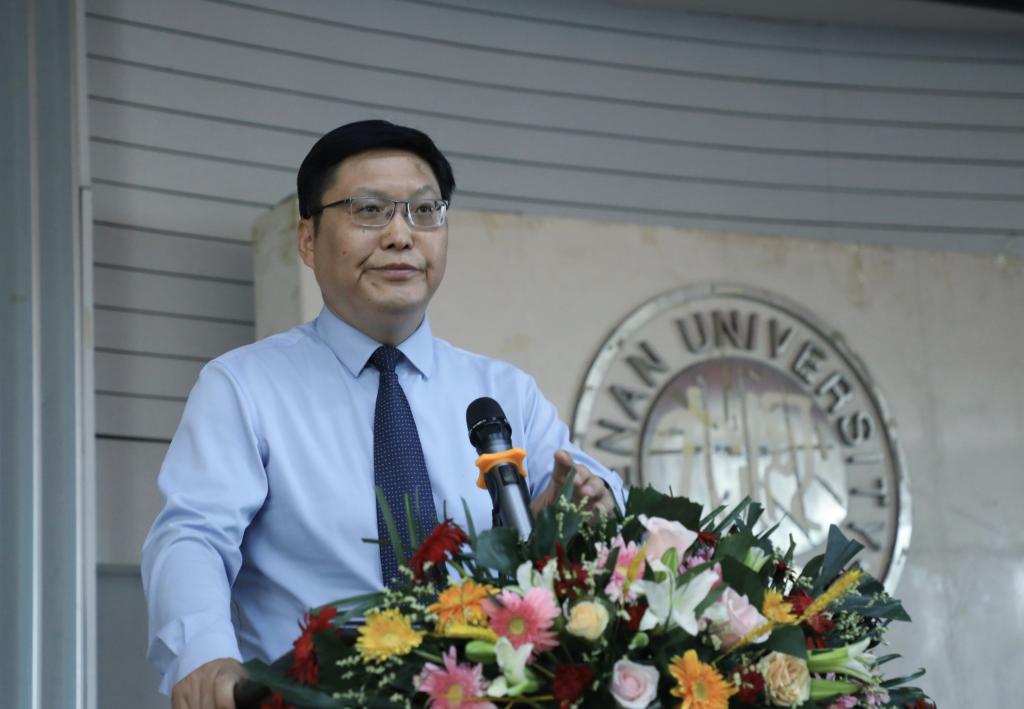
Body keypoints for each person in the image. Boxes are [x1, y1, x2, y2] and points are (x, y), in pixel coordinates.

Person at [142, 120, 626, 709]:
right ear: (307, 239)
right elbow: (194, 535)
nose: (401, 235)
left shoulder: (502, 392)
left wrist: (590, 500)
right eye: (369, 210)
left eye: (424, 211)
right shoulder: (244, 387)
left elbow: (591, 490)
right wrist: (205, 654)